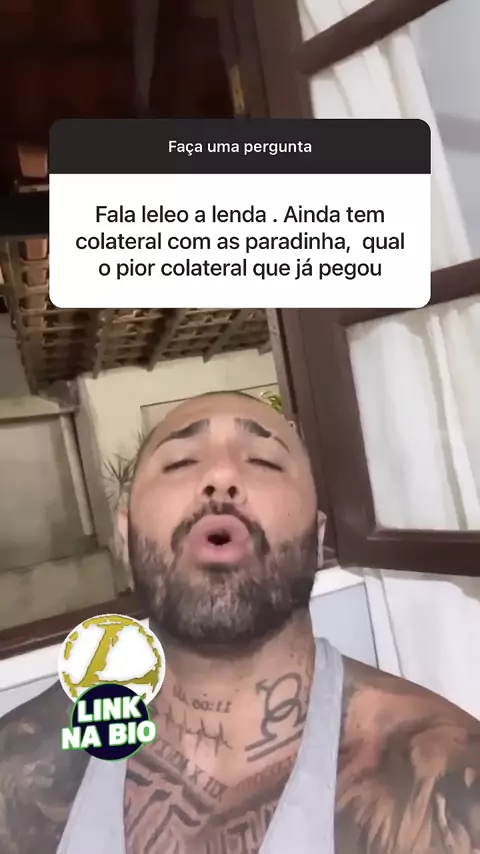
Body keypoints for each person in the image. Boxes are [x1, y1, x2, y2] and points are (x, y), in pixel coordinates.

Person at [1, 391, 479, 854]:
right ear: (126, 537)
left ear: (316, 538)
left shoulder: (445, 780)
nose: (221, 475)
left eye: (264, 461)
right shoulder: (20, 765)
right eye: (180, 462)